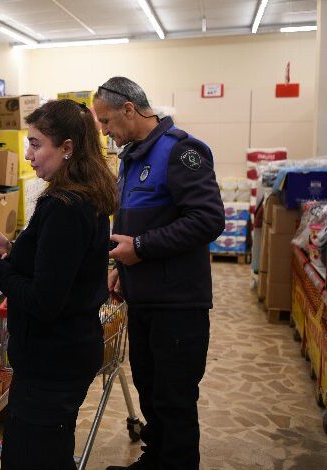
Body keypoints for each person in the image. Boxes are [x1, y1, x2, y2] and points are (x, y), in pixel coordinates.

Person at [0, 99, 119, 470]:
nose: (28, 155)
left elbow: (44, 299)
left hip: (52, 361)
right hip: (68, 353)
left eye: (36, 144)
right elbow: (64, 264)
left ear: (67, 148)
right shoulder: (86, 194)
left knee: (31, 457)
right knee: (50, 452)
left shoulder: (63, 205)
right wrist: (14, 250)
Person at [93, 77, 225, 470]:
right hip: (145, 298)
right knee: (150, 391)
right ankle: (157, 459)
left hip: (178, 304)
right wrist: (120, 265)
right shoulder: (132, 157)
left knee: (174, 398)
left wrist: (142, 248)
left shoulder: (180, 151)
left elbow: (207, 219)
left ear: (129, 110)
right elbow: (134, 222)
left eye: (106, 120)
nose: (103, 130)